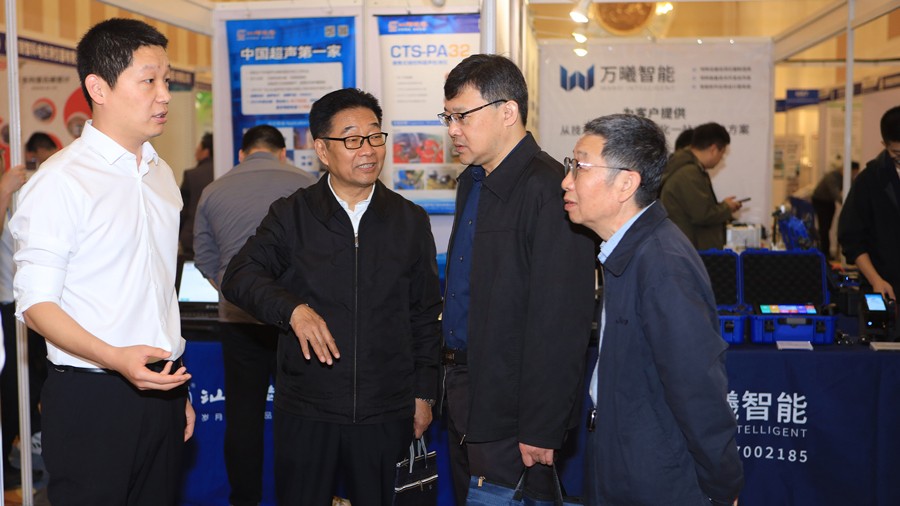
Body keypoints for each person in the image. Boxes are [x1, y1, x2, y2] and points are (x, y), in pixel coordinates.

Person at [221, 88, 441, 506]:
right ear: (322, 150)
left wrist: (423, 393)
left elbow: (425, 313)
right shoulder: (292, 215)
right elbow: (240, 275)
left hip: (385, 408)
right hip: (308, 407)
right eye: (352, 139)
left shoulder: (409, 220)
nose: (368, 150)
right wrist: (292, 310)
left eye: (374, 136)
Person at [9, 18, 194, 505]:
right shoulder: (60, 182)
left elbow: (158, 293)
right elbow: (36, 306)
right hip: (93, 396)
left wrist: (177, 388)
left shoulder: (161, 173)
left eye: (167, 80)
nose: (164, 95)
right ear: (98, 88)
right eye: (149, 80)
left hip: (162, 386)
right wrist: (115, 358)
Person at [561, 113, 743, 505]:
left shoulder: (663, 264)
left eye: (580, 167)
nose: (566, 181)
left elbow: (699, 392)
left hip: (657, 481)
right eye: (570, 165)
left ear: (626, 184)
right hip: (623, 464)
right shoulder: (626, 252)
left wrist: (723, 486)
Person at [438, 54, 596, 503]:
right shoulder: (471, 181)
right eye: (448, 118)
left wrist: (542, 426)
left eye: (462, 116)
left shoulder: (550, 189)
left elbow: (561, 320)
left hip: (513, 407)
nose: (453, 130)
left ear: (508, 111)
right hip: (462, 388)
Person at [193, 124, 316, 506]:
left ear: (242, 154)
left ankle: (244, 499)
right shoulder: (308, 185)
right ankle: (297, 497)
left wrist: (235, 291)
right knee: (297, 416)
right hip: (295, 322)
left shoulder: (214, 190)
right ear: (282, 153)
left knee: (243, 416)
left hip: (239, 319)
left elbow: (204, 257)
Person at [0, 132, 58, 487]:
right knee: (11, 387)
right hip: (6, 305)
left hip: (29, 303)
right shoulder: (6, 190)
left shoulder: (23, 192)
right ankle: (8, 453)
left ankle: (28, 444)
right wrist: (4, 190)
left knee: (34, 381)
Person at [839, 105, 900, 302]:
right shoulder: (869, 180)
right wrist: (876, 280)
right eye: (898, 154)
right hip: (884, 289)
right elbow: (851, 239)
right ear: (884, 144)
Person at [660, 122, 742, 250]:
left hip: (684, 246)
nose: (721, 159)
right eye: (722, 154)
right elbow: (703, 215)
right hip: (689, 248)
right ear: (713, 149)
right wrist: (727, 207)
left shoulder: (687, 168)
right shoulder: (689, 173)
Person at [811, 161, 859, 260]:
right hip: (820, 201)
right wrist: (848, 204)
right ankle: (825, 254)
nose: (853, 176)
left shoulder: (845, 177)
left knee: (827, 227)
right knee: (824, 228)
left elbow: (853, 189)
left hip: (829, 201)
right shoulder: (832, 177)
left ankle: (826, 253)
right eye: (853, 173)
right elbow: (835, 193)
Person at [179, 132, 213, 259]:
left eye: (198, 149)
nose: (195, 153)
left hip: (193, 237)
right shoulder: (227, 172)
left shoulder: (192, 175)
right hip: (219, 237)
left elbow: (182, 209)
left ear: (206, 151)